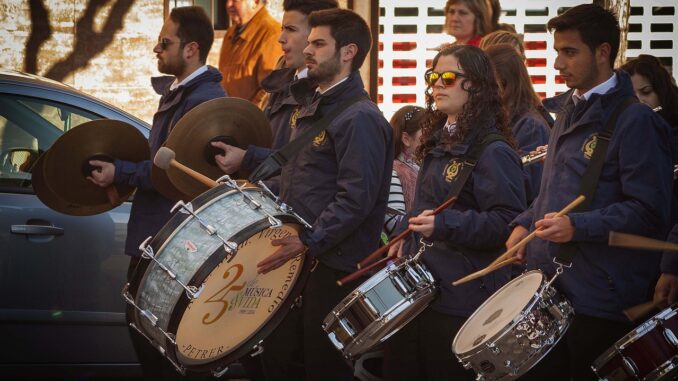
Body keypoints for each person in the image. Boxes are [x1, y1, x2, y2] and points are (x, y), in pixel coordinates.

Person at [505, 5, 673, 380]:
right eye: (556, 52)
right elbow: (555, 190)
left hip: (600, 298)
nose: (557, 64)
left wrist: (578, 226)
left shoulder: (636, 120)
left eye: (569, 52)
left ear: (602, 52)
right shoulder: (569, 109)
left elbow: (650, 211)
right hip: (551, 289)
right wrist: (524, 225)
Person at [253, 8, 393, 381]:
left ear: (347, 52)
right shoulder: (312, 107)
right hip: (303, 261)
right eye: (309, 41)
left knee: (319, 367)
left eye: (318, 43)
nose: (308, 50)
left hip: (333, 269)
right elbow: (300, 179)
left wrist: (309, 241)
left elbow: (355, 200)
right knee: (279, 361)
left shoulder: (359, 117)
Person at [87, 6, 226, 380]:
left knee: (162, 346)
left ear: (192, 49)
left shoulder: (201, 100)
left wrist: (122, 171)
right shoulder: (180, 93)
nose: (156, 49)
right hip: (156, 234)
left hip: (172, 241)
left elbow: (176, 172)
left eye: (165, 42)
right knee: (145, 335)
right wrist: (123, 181)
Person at [382, 45, 527, 381]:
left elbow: (507, 220)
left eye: (448, 77)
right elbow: (423, 208)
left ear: (474, 85)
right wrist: (406, 232)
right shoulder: (437, 141)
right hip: (425, 290)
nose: (437, 85)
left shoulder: (493, 151)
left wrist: (443, 224)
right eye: (433, 77)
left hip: (465, 297)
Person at [212, 0, 338, 186]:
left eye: (291, 29)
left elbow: (308, 167)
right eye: (282, 28)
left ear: (316, 36)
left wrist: (248, 157)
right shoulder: (283, 82)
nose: (281, 38)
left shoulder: (328, 95)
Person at [620, 56, 678, 311]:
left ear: (663, 93)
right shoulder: (626, 136)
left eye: (647, 92)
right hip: (636, 260)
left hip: (667, 258)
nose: (641, 102)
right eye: (633, 96)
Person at [485, 43, 550, 203]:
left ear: (504, 85)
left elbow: (526, 187)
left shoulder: (531, 126)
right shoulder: (502, 117)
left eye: (483, 83)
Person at [218, 0, 280, 107]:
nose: (228, 5)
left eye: (235, 0)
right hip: (228, 116)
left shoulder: (272, 34)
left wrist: (247, 117)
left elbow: (269, 91)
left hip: (249, 120)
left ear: (255, 2)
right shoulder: (231, 33)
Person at [384, 105, 425, 236]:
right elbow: (394, 222)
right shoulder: (393, 171)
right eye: (427, 132)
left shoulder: (421, 167)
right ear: (406, 139)